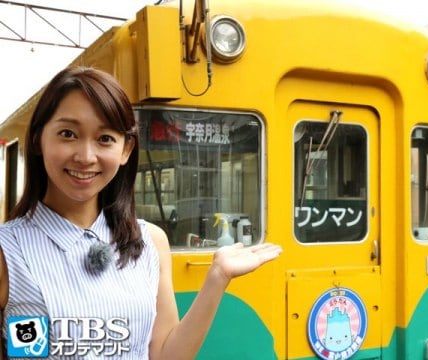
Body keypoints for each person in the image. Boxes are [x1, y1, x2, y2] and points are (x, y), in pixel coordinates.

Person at [0, 66, 282, 359]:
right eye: (68, 134)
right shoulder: (8, 251)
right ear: (37, 140)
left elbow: (164, 354)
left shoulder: (150, 241)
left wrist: (217, 278)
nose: (85, 156)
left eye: (105, 138)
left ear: (125, 149)